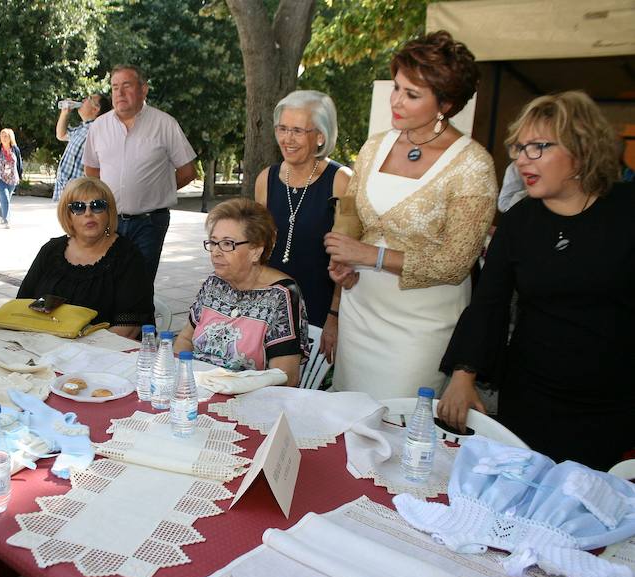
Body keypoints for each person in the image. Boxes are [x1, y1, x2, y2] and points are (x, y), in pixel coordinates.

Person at [437, 91, 635, 470]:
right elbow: (489, 304)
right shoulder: (519, 221)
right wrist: (463, 375)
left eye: (538, 147)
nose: (520, 159)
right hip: (531, 394)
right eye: (518, 147)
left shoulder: (627, 211)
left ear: (581, 149)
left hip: (612, 401)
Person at [324, 30, 497, 400]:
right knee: (348, 415)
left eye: (412, 94)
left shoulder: (473, 165)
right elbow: (351, 213)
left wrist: (373, 256)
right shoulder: (375, 146)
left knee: (400, 425)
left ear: (445, 104)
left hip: (421, 326)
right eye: (397, 87)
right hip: (361, 309)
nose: (396, 101)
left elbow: (456, 263)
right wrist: (342, 265)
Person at [255, 90, 351, 361]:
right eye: (282, 128)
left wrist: (334, 316)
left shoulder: (341, 181)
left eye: (297, 130)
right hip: (271, 304)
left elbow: (346, 259)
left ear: (320, 135)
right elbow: (257, 250)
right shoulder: (267, 178)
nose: (287, 139)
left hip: (320, 305)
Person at [174, 198, 310, 387]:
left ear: (256, 251)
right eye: (213, 243)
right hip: (198, 388)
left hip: (247, 398)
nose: (216, 252)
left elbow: (285, 377)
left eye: (228, 244)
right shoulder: (215, 284)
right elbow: (185, 339)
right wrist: (182, 378)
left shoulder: (281, 295)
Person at [83, 64, 197, 283]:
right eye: (115, 87)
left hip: (149, 223)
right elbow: (92, 171)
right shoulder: (99, 126)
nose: (119, 92)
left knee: (139, 286)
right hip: (109, 221)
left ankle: (137, 319)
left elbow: (187, 171)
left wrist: (158, 190)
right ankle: (111, 319)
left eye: (127, 85)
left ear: (143, 90)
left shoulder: (165, 124)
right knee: (105, 281)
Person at [17, 177, 154, 339]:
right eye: (78, 207)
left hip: (103, 354)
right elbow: (22, 304)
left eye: (97, 206)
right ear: (68, 215)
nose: (88, 213)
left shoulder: (127, 256)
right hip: (44, 346)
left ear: (109, 212)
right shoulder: (51, 251)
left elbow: (129, 326)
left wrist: (77, 353)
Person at [53, 94, 111, 202]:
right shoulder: (82, 128)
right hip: (67, 194)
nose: (83, 99)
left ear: (96, 109)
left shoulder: (99, 131)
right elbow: (61, 135)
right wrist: (65, 113)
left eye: (89, 98)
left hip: (81, 196)